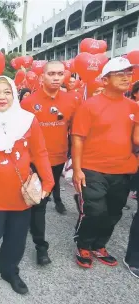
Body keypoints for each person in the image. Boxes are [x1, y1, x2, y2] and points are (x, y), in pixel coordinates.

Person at [0, 76, 54, 295]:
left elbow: (40, 153)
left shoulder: (28, 120)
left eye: (7, 92)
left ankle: (9, 271)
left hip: (20, 194)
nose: (2, 97)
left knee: (16, 238)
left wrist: (48, 180)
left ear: (14, 94)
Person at [72, 57, 137, 269]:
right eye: (121, 74)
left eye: (129, 73)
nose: (126, 77)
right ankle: (83, 243)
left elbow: (136, 140)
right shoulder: (89, 105)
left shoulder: (133, 107)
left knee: (113, 212)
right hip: (93, 169)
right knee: (95, 209)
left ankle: (99, 245)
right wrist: (77, 169)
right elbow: (78, 137)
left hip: (123, 170)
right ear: (105, 80)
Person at [21, 61, 81, 265]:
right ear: (42, 77)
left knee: (41, 201)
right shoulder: (28, 103)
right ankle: (41, 246)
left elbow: (76, 132)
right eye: (51, 74)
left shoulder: (73, 100)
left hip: (57, 160)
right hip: (33, 162)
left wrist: (74, 159)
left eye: (60, 74)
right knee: (39, 203)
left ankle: (32, 224)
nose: (56, 77)